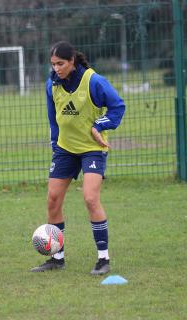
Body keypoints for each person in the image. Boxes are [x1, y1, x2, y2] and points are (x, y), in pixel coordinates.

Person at [30, 41, 125, 275]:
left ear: (72, 61)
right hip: (65, 149)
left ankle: (103, 259)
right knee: (53, 200)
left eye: (60, 64)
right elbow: (53, 119)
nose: (56, 69)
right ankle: (56, 258)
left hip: (92, 148)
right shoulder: (51, 85)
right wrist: (55, 144)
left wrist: (99, 124)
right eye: (53, 64)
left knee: (90, 199)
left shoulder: (94, 81)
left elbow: (117, 107)